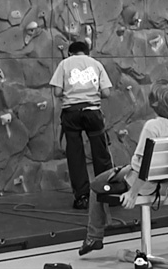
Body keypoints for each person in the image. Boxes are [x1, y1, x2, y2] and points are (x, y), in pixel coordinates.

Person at [79, 80, 168, 256]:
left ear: (154, 104)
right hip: (165, 183)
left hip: (143, 183)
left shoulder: (152, 127)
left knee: (96, 184)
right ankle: (98, 230)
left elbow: (141, 165)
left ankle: (94, 236)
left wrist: (132, 193)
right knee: (117, 174)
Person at [49, 40, 113, 210]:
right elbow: (106, 92)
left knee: (75, 154)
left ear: (70, 53)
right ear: (87, 52)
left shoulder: (64, 64)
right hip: (92, 112)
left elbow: (56, 92)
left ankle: (82, 197)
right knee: (101, 152)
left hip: (71, 113)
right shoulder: (96, 64)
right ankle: (106, 192)